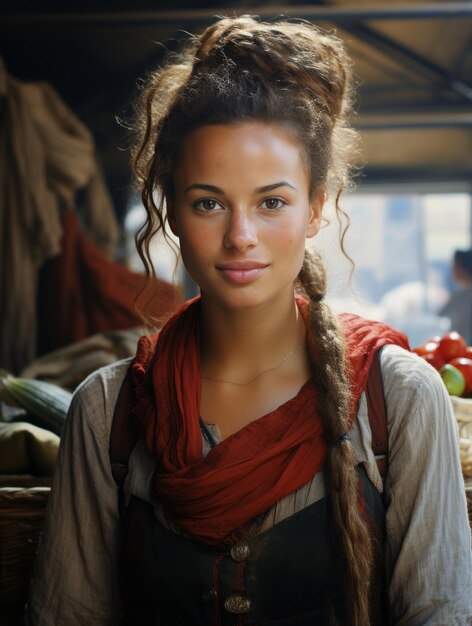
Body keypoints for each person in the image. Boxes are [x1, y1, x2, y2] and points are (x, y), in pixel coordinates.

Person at [27, 15, 472, 626]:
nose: (240, 237)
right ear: (172, 210)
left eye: (272, 203)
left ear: (316, 208)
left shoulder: (398, 401)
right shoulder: (106, 412)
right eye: (209, 202)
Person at [440, 248, 472, 344]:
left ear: (462, 268)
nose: (451, 271)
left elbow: (441, 315)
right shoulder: (460, 295)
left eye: (454, 266)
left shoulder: (460, 297)